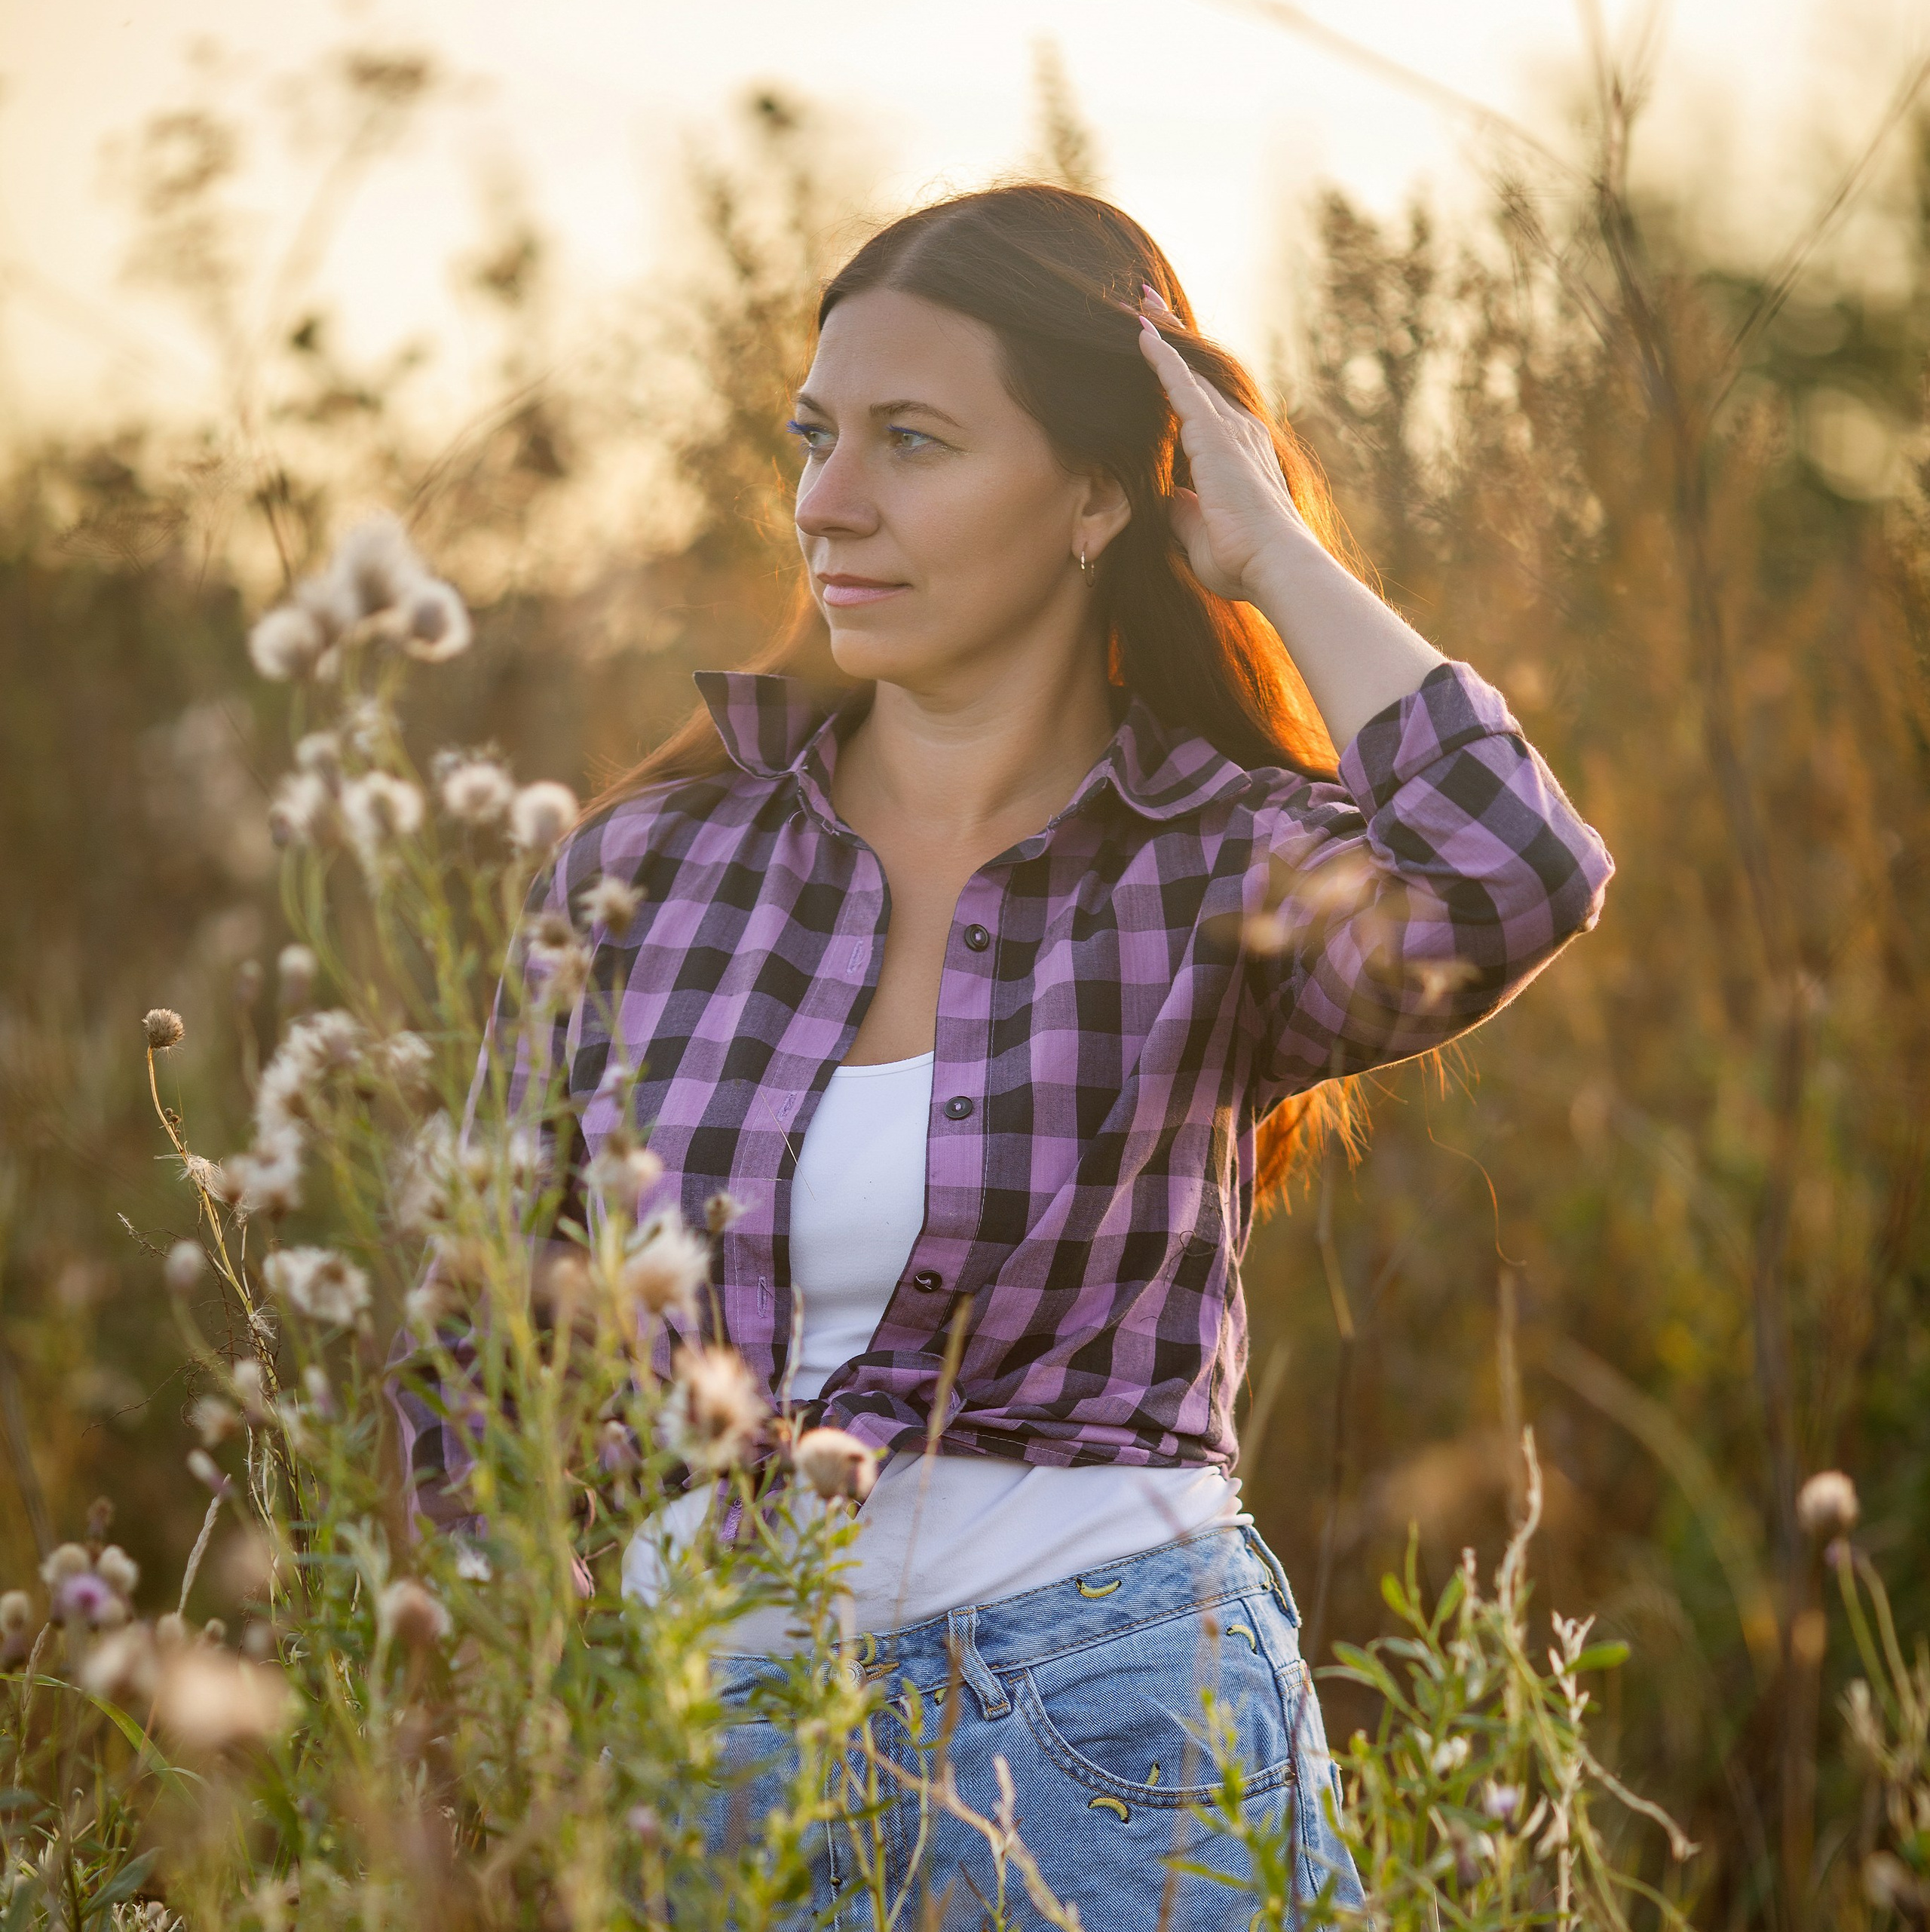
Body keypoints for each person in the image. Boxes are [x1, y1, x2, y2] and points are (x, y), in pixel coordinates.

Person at [400, 183, 1613, 1927]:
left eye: (913, 440)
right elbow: (472, 1344)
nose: (829, 501)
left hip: (1111, 1721)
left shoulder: (1216, 861)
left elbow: (1518, 869)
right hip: (696, 1750)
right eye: (817, 438)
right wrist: (508, 1709)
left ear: (1102, 494)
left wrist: (1268, 551)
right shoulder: (647, 870)